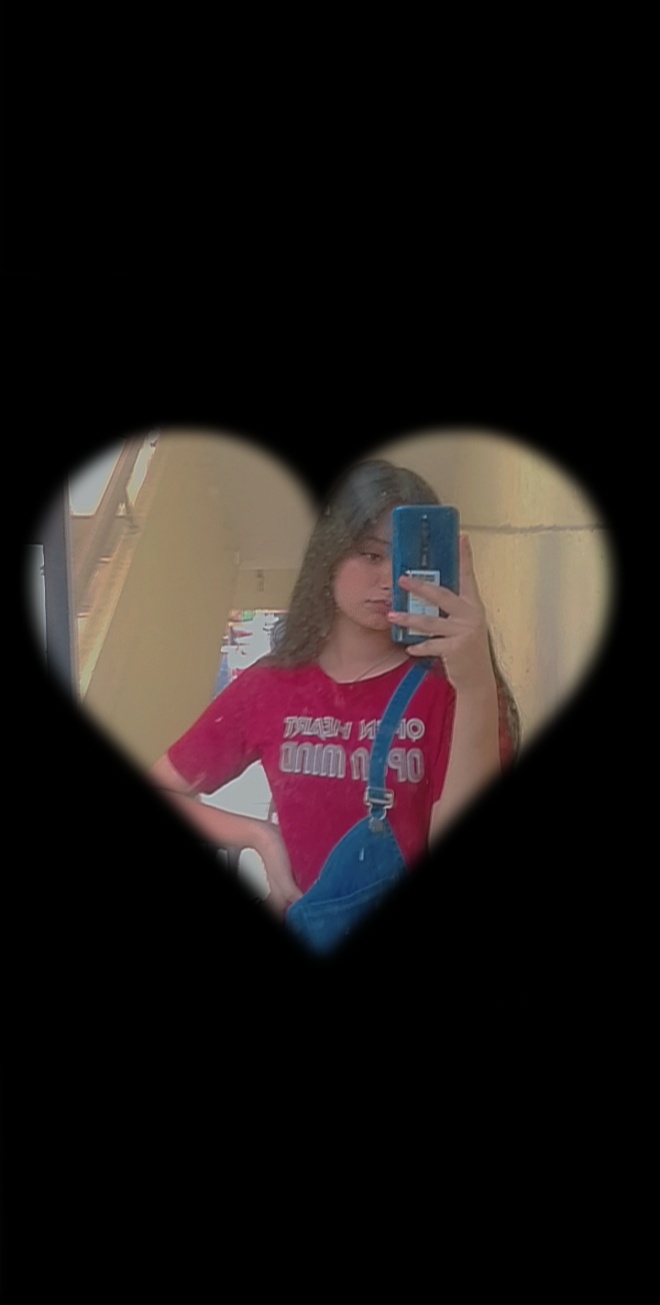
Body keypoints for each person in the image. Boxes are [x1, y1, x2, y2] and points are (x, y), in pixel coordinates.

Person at [148, 459, 519, 926]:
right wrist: (259, 836)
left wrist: (476, 683)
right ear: (329, 555)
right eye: (370, 555)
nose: (389, 580)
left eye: (405, 559)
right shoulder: (270, 685)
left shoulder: (452, 689)